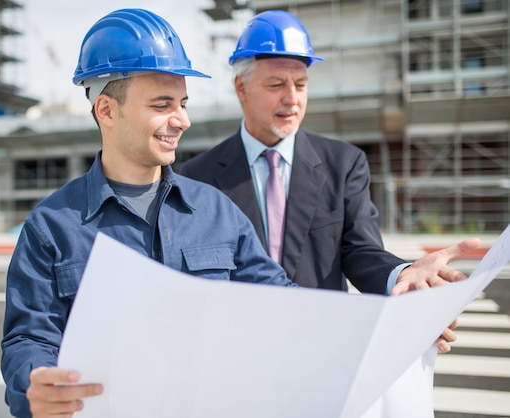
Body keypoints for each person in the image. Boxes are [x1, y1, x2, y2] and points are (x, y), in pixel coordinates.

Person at [0, 8, 297, 418]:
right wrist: (34, 381)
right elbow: (28, 340)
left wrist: (392, 305)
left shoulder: (215, 211)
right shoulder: (51, 228)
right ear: (106, 110)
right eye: (163, 105)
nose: (183, 120)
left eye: (183, 103)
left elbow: (286, 307)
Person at [180, 10, 480, 345]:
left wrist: (403, 276)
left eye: (301, 84)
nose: (292, 98)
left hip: (319, 342)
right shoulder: (198, 176)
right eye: (277, 84)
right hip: (235, 346)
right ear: (241, 88)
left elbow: (361, 251)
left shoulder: (344, 163)